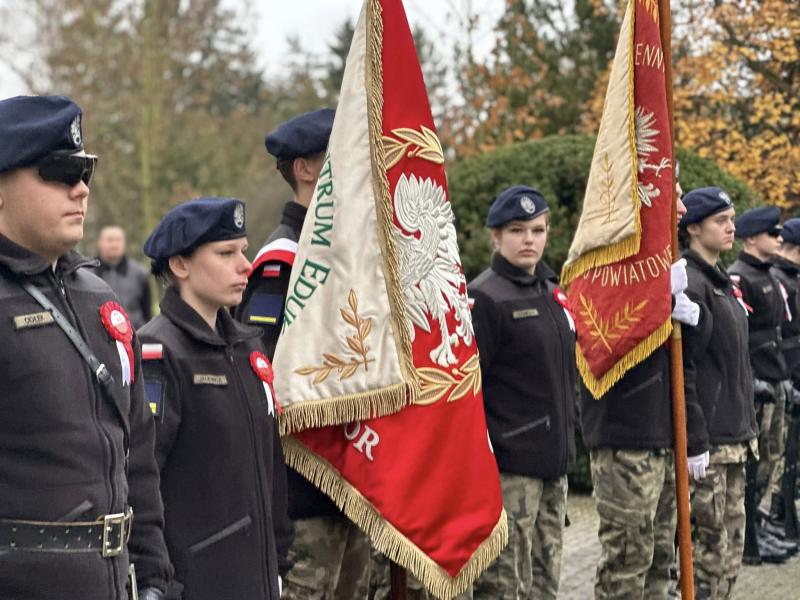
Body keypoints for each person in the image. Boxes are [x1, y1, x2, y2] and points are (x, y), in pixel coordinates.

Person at [0, 95, 170, 599]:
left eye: (85, 172)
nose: (80, 189)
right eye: (58, 171)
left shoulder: (100, 298)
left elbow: (136, 453)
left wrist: (155, 578)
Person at [235, 108, 371, 599]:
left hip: (356, 477)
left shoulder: (348, 254)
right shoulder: (283, 260)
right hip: (305, 485)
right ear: (305, 170)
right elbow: (266, 370)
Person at [139, 197, 288, 600]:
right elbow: (141, 475)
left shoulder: (246, 348)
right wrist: (161, 583)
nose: (245, 265)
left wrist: (278, 559)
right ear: (180, 265)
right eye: (225, 253)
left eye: (243, 250)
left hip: (256, 579)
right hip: (197, 583)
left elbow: (268, 466)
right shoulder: (159, 353)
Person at [580, 188, 709, 599]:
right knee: (626, 563)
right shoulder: (600, 263)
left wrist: (689, 317)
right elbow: (597, 346)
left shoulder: (663, 266)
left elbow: (693, 359)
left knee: (660, 565)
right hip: (626, 439)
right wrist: (653, 302)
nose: (684, 210)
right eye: (673, 197)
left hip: (665, 435)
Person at [468, 185, 576, 599]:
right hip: (511, 472)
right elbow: (471, 391)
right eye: (517, 230)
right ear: (496, 236)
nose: (529, 239)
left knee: (545, 585)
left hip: (553, 467)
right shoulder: (486, 297)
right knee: (505, 586)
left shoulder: (552, 292)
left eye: (537, 229)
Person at [678, 187, 758, 598]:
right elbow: (686, 370)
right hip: (709, 446)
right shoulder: (690, 283)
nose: (731, 227)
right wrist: (695, 439)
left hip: (734, 439)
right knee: (707, 561)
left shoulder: (720, 282)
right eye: (720, 221)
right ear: (693, 228)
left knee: (728, 557)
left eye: (732, 219)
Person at [727, 206, 794, 564]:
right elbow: (742, 338)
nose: (779, 240)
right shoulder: (741, 277)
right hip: (757, 382)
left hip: (776, 376)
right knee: (756, 462)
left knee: (773, 458)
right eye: (772, 233)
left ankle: (759, 524)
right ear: (752, 238)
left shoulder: (769, 276)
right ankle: (750, 531)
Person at [768, 217, 800, 529]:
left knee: (787, 456)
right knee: (776, 455)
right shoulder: (779, 279)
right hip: (783, 375)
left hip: (790, 376)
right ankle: (776, 517)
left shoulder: (790, 278)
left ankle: (782, 514)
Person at [95, 224, 152, 328]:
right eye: (109, 240)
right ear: (99, 243)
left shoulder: (140, 273)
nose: (114, 245)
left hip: (135, 338)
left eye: (118, 240)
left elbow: (147, 313)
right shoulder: (86, 274)